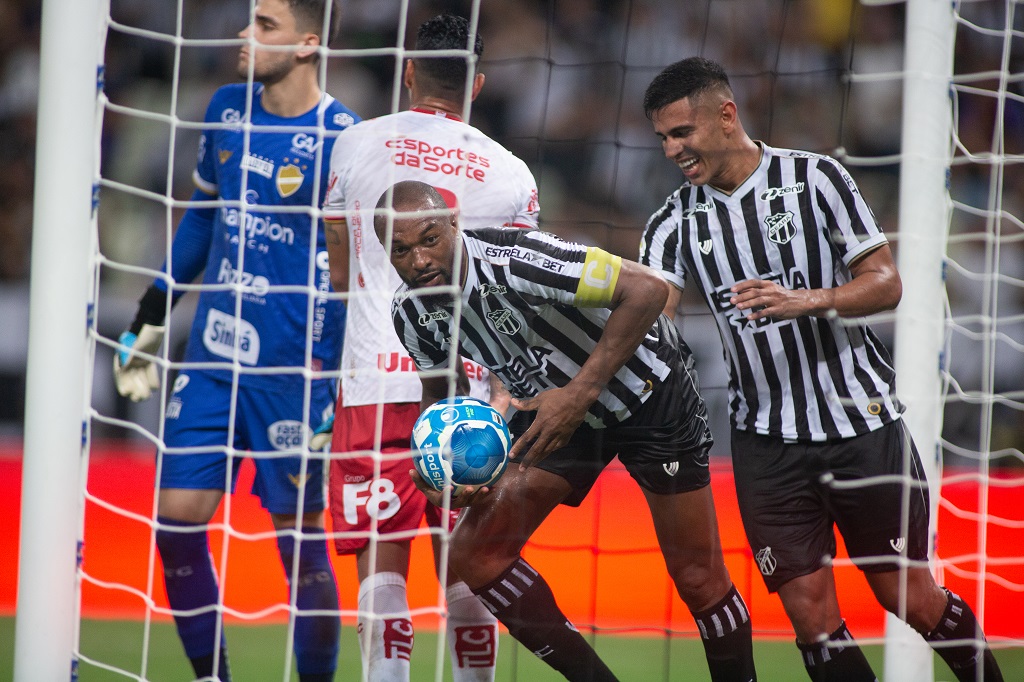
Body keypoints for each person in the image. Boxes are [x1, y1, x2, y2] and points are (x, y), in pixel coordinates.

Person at [638, 56, 1004, 682]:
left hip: (858, 423)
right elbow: (652, 312)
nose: (672, 150)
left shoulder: (816, 178)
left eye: (682, 133)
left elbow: (885, 284)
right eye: (664, 139)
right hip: (765, 441)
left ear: (726, 116)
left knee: (907, 598)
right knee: (808, 614)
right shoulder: (673, 222)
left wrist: (806, 299)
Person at [376, 180, 758, 682]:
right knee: (476, 552)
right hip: (554, 412)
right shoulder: (412, 312)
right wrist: (440, 464)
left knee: (697, 578)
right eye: (400, 250)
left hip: (647, 394)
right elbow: (441, 395)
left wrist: (579, 394)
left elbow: (647, 291)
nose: (419, 260)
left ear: (453, 223)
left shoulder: (517, 259)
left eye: (429, 239)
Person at [112, 1, 359, 680]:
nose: (244, 35)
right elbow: (200, 224)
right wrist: (149, 318)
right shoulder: (226, 108)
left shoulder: (346, 136)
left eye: (265, 26)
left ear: (309, 44)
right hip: (215, 359)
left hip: (295, 370)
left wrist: (335, 376)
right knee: (176, 522)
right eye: (249, 20)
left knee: (301, 547)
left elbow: (353, 272)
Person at [317, 14, 538, 681]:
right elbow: (521, 293)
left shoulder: (354, 145)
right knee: (467, 560)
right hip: (467, 392)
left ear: (407, 71)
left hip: (371, 385)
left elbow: (337, 267)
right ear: (477, 83)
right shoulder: (510, 173)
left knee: (382, 563)